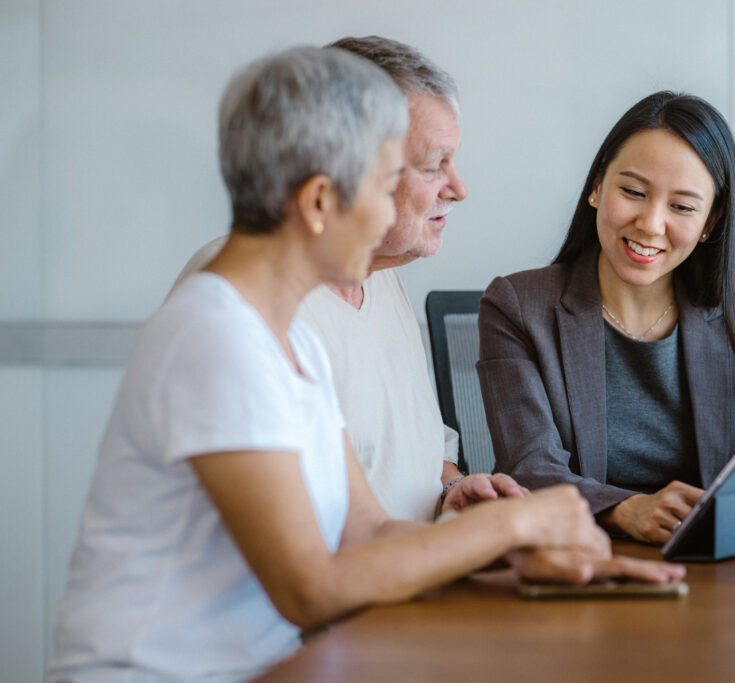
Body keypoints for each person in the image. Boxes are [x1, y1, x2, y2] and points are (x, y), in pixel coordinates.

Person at [47, 49, 684, 683]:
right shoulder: (218, 336)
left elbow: (370, 533)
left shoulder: (282, 333)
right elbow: (310, 589)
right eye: (384, 188)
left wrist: (514, 552)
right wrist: (516, 521)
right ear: (320, 201)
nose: (388, 216)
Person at [477, 91, 735, 545]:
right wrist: (624, 509)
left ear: (710, 222)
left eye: (682, 207)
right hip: (580, 561)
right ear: (596, 187)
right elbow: (529, 469)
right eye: (633, 192)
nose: (651, 224)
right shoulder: (517, 306)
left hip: (713, 568)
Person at [173, 36, 519, 521]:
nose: (459, 189)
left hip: (405, 563)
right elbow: (319, 553)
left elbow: (408, 471)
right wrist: (506, 531)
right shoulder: (247, 300)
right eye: (432, 166)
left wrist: (453, 490)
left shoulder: (377, 276)